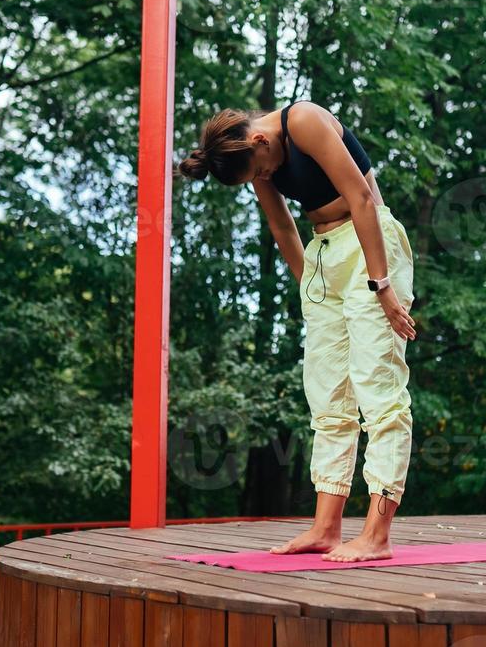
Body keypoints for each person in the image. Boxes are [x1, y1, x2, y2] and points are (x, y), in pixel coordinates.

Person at [177, 101, 417, 562]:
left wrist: (382, 286)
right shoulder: (255, 159)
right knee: (327, 396)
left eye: (260, 171)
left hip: (371, 246)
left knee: (377, 388)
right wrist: (309, 286)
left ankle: (377, 533)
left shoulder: (303, 121)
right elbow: (281, 223)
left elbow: (363, 199)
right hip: (323, 259)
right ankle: (326, 528)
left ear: (259, 141)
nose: (263, 179)